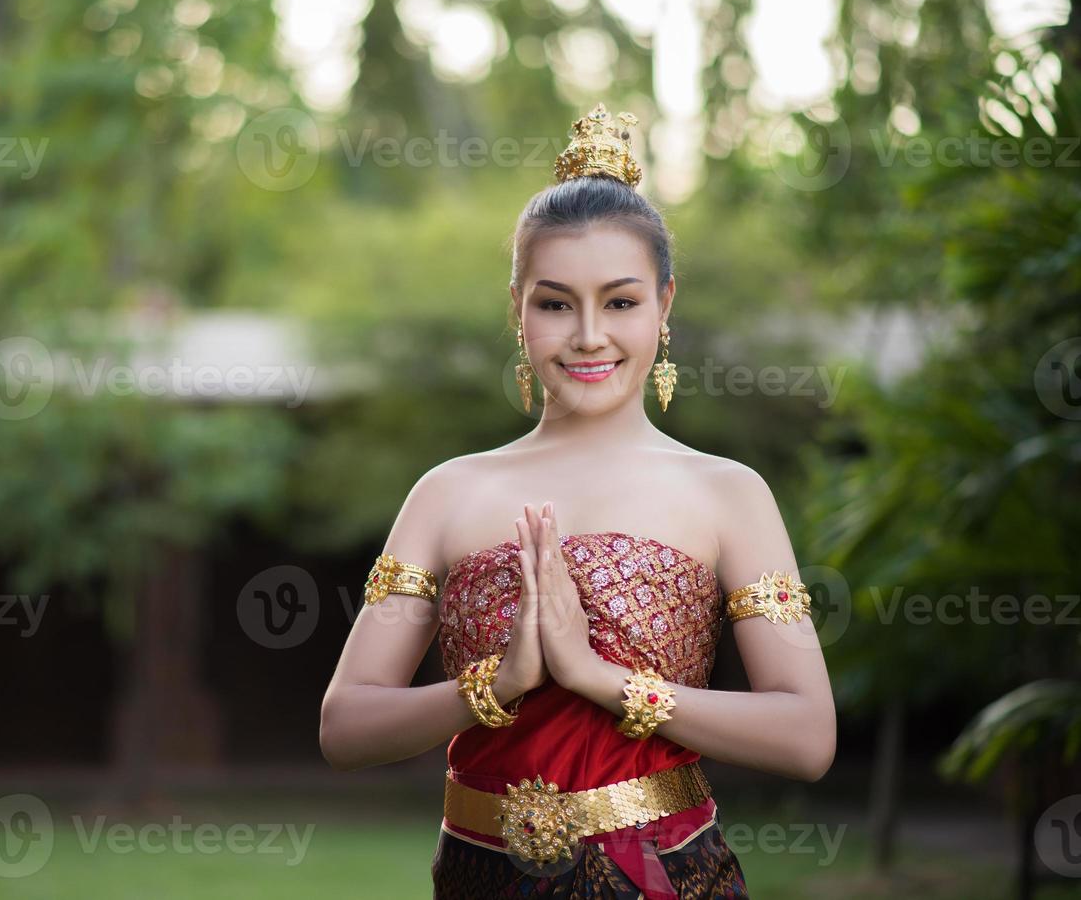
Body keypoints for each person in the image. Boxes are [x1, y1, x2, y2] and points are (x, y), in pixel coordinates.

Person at [318, 103, 838, 898]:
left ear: (664, 307)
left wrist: (600, 679)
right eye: (555, 303)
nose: (588, 335)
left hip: (665, 879)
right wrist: (497, 684)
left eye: (620, 302)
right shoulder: (448, 492)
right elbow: (345, 728)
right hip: (477, 878)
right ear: (517, 309)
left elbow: (806, 737)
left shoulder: (726, 493)